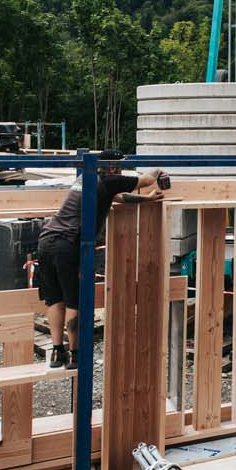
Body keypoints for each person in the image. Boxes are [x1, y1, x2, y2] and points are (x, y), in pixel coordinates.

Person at [35, 152, 167, 369]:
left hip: (46, 241)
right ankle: (75, 354)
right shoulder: (109, 180)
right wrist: (159, 170)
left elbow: (118, 198)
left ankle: (57, 352)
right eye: (119, 166)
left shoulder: (85, 179)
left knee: (54, 299)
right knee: (73, 300)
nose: (121, 170)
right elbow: (147, 180)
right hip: (67, 244)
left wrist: (147, 199)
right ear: (111, 167)